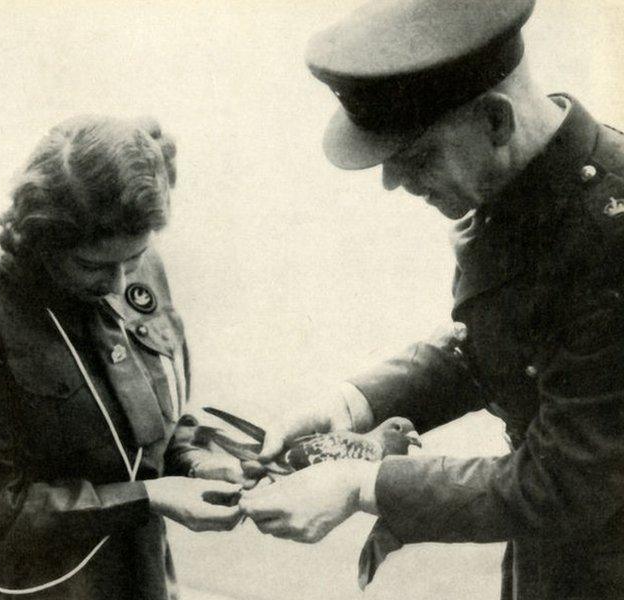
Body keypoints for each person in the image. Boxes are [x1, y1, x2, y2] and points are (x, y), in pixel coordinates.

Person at [237, 0, 624, 598]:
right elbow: (506, 344)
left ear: (496, 121)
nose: (393, 182)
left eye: (416, 158)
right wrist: (354, 404)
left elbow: (564, 480)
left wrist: (363, 485)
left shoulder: (611, 236)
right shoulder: (527, 188)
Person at [0, 115, 244, 600]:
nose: (116, 284)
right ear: (39, 237)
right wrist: (148, 497)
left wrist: (191, 462)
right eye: (91, 265)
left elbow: (153, 428)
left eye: (131, 260)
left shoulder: (135, 264)